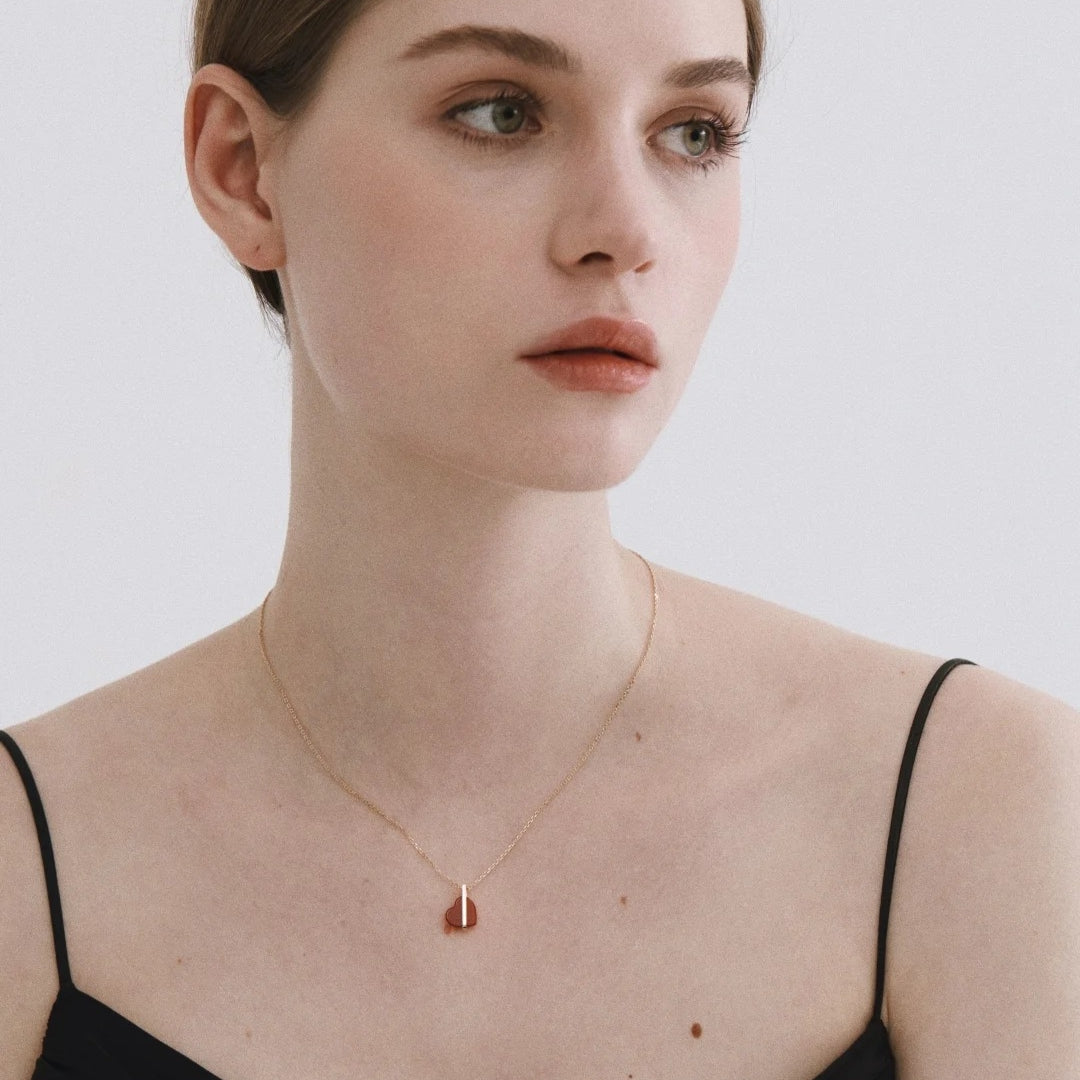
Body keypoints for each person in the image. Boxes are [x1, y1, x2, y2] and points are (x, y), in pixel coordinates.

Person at [1, 0, 1077, 1076]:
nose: (626, 230)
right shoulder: (23, 870)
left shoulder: (981, 813)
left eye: (693, 130)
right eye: (500, 112)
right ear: (242, 169)